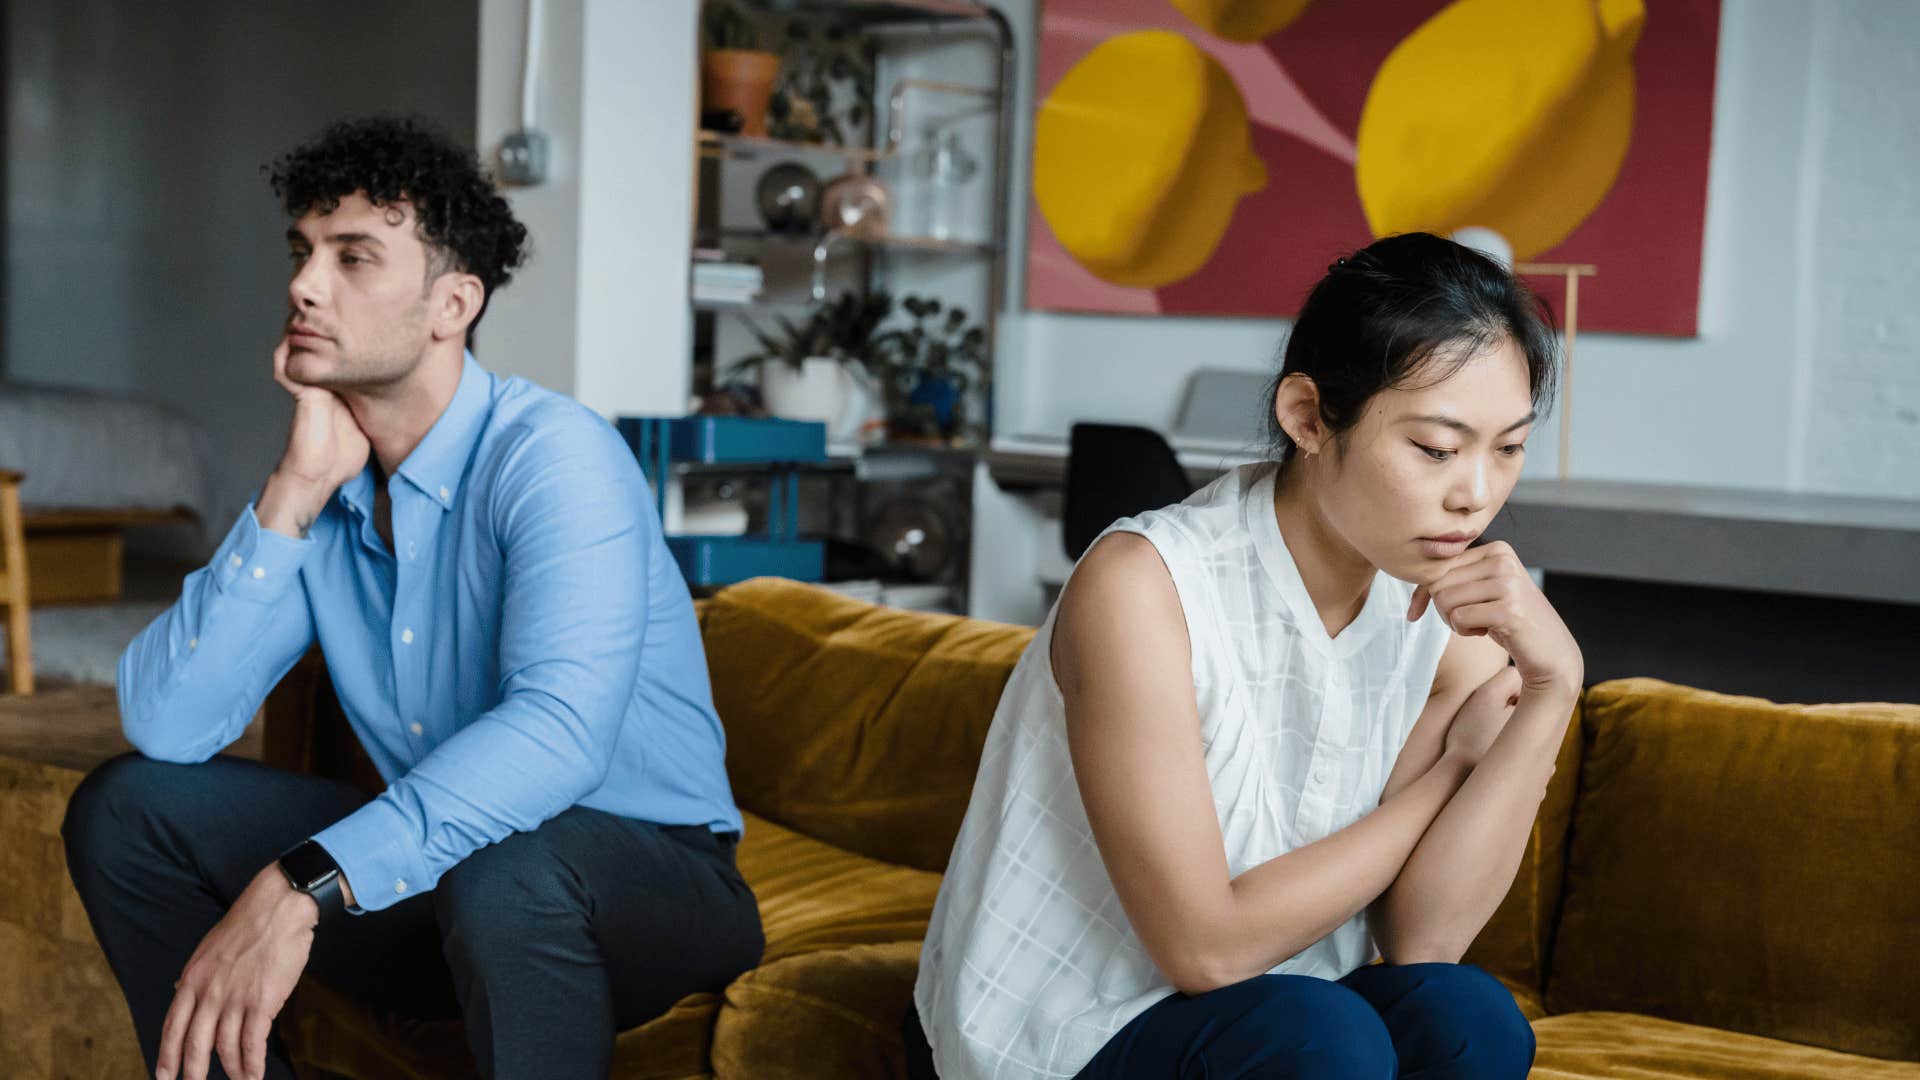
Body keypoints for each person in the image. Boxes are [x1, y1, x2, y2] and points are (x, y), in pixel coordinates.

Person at [61, 115, 763, 1080]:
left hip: (649, 886)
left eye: (355, 258)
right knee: (126, 809)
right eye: (304, 252)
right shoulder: (330, 483)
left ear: (452, 305)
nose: (304, 285)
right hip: (443, 881)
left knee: (510, 868)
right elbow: (167, 723)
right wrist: (293, 493)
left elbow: (557, 732)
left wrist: (306, 880)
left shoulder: (554, 456)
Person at [909, 233, 1579, 1079]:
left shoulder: (1446, 616)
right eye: (1436, 449)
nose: (1476, 494)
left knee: (1468, 1018)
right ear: (1307, 417)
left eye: (1508, 448)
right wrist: (1451, 773)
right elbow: (1206, 951)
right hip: (1058, 1032)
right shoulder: (1144, 586)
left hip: (1283, 1018)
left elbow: (1424, 940)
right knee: (1322, 1038)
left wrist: (1554, 690)